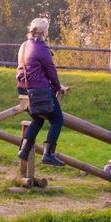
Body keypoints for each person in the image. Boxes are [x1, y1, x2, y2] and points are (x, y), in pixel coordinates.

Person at [16, 17, 66, 166]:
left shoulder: (24, 45)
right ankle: (48, 154)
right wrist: (58, 87)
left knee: (38, 118)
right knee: (57, 119)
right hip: (39, 90)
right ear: (44, 31)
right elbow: (52, 72)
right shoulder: (42, 48)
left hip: (23, 88)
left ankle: (24, 150)